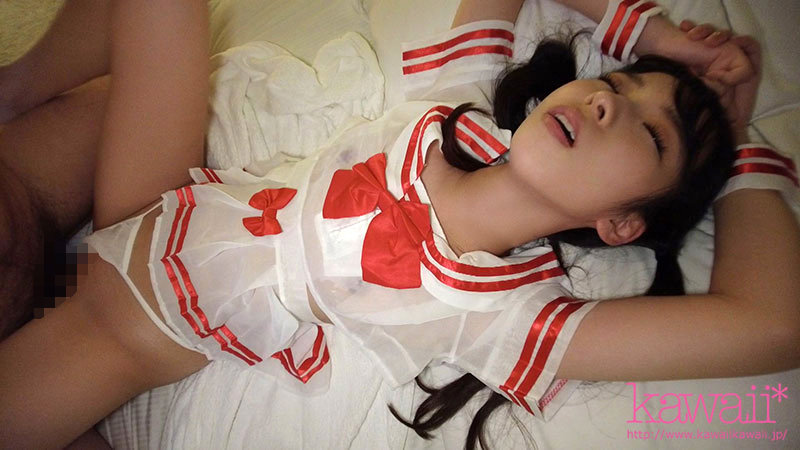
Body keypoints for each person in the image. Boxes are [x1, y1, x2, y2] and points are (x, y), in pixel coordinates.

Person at [0, 1, 797, 449]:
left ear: (621, 224)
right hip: (154, 203)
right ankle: (12, 90)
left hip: (120, 335)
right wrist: (661, 41)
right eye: (617, 86)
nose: (605, 102)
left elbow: (771, 325)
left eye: (650, 134)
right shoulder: (456, 109)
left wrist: (736, 144)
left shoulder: (510, 318)